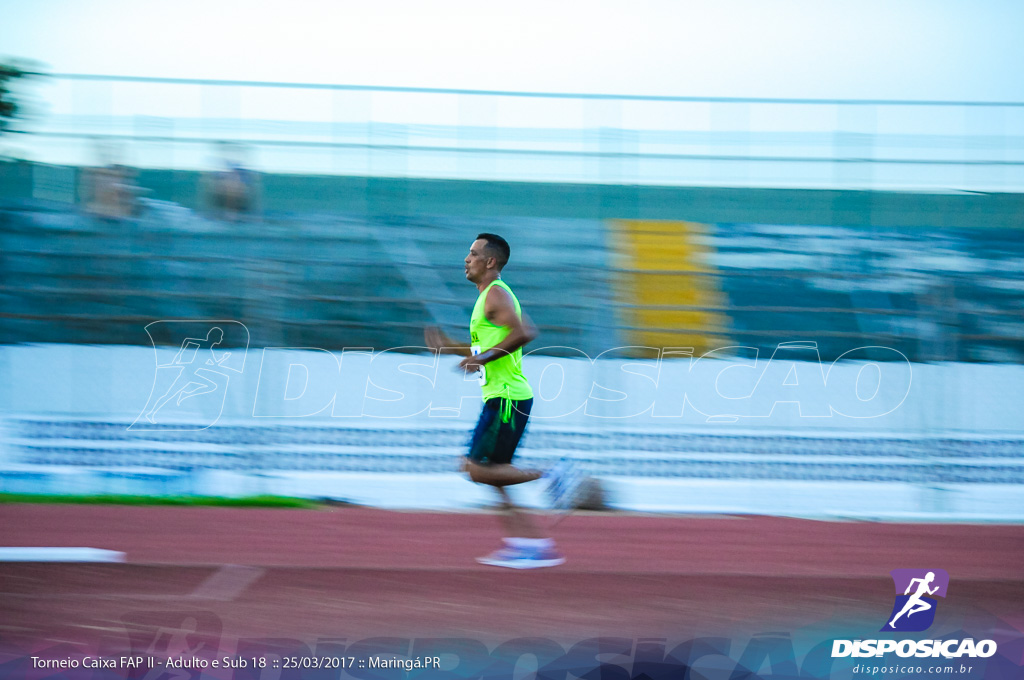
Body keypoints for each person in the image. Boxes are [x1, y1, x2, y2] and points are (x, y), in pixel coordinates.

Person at [425, 233, 577, 569]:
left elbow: (525, 332)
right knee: (493, 476)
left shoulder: (495, 293)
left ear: (490, 262)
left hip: (507, 398)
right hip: (503, 398)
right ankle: (530, 545)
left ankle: (553, 473)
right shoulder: (486, 299)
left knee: (476, 469)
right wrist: (452, 347)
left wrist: (480, 361)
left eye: (473, 253)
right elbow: (487, 347)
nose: (466, 259)